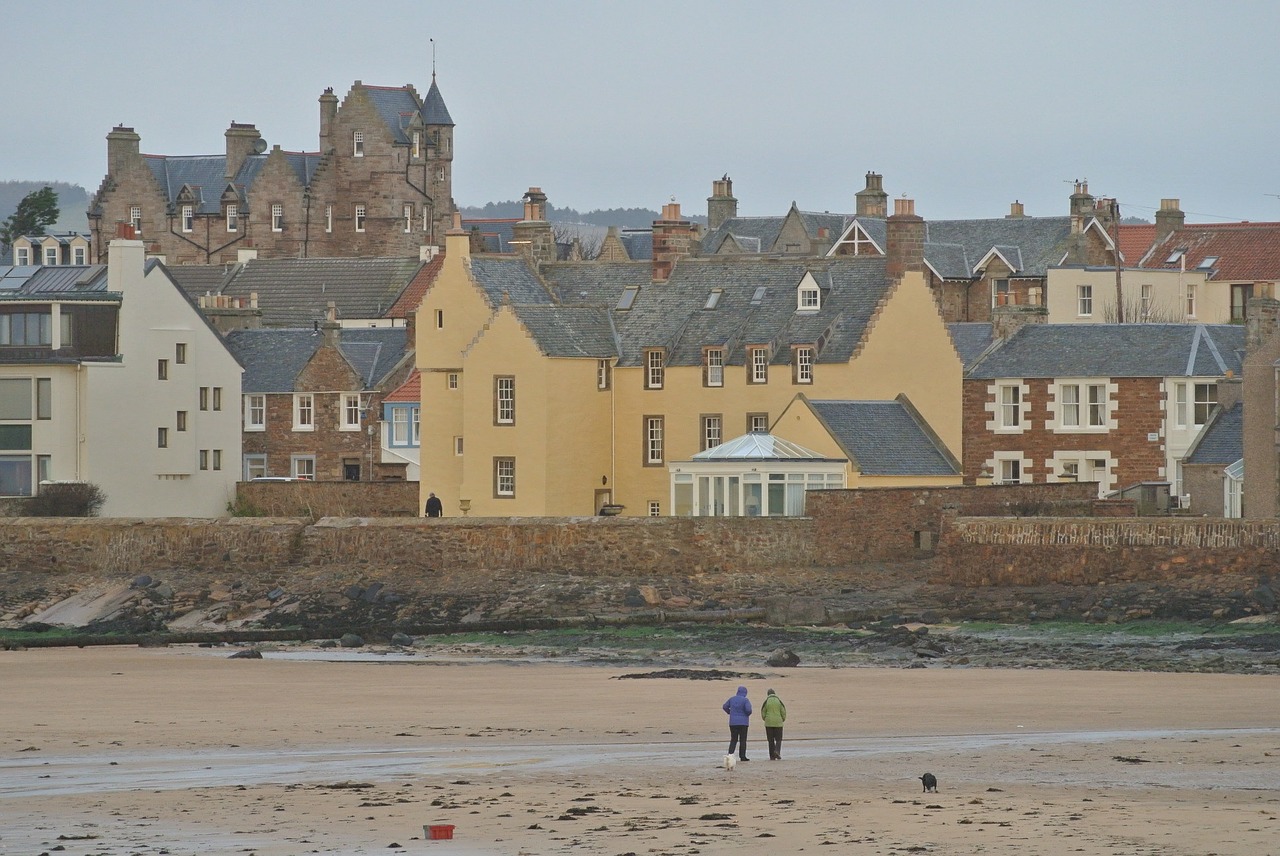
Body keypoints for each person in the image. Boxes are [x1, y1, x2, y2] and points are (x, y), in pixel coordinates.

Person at [722, 685, 752, 761]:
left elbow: (725, 706)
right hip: (743, 723)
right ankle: (742, 756)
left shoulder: (732, 699)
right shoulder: (745, 700)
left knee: (733, 739)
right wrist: (746, 714)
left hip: (733, 723)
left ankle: (730, 755)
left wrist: (729, 712)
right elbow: (748, 710)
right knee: (743, 740)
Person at [761, 688, 787, 760]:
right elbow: (783, 711)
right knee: (778, 739)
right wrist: (783, 719)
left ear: (768, 694)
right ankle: (777, 751)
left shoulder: (766, 701)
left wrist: (765, 719)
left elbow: (763, 712)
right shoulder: (779, 701)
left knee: (770, 740)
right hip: (778, 723)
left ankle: (772, 756)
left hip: (768, 723)